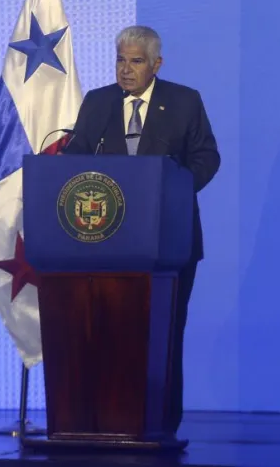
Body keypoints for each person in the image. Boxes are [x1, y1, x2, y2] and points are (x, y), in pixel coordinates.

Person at [63, 25, 220, 433]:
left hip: (168, 240)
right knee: (107, 333)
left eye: (135, 61)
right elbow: (76, 158)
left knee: (164, 333)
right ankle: (104, 418)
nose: (126, 70)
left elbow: (206, 157)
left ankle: (161, 421)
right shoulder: (98, 103)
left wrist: (174, 188)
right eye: (120, 60)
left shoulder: (184, 101)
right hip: (103, 243)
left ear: (156, 64)